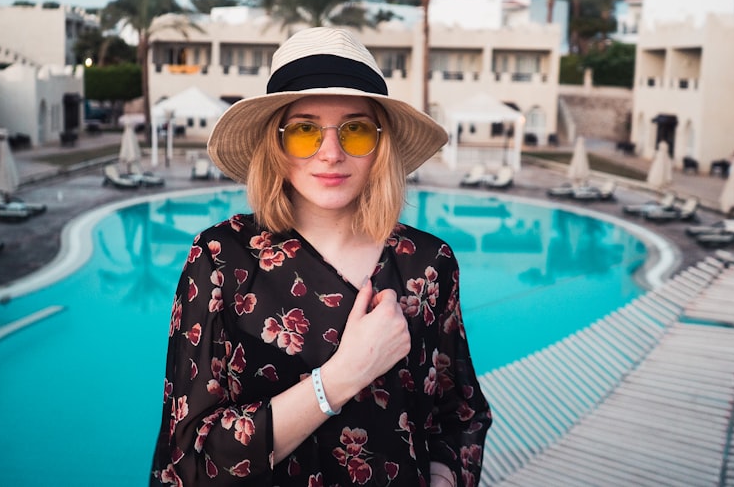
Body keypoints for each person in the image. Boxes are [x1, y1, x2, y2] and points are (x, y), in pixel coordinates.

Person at [152, 27, 491, 486]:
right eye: (305, 130)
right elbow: (191, 457)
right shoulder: (220, 259)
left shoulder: (428, 264)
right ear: (276, 143)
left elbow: (460, 414)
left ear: (380, 145)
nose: (330, 153)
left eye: (354, 130)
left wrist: (444, 477)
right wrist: (343, 376)